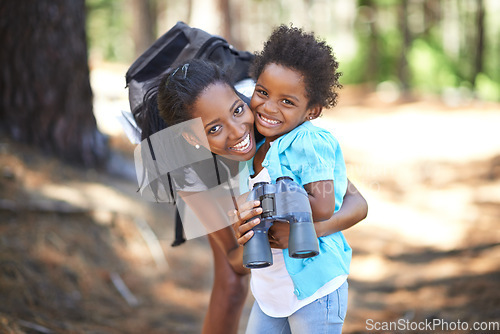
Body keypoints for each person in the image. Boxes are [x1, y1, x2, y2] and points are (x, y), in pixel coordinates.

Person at [146, 59, 367, 333]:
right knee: (230, 283)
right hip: (271, 295)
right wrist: (246, 237)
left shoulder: (273, 125)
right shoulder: (189, 170)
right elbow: (235, 263)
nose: (238, 131)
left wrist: (307, 229)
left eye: (239, 110)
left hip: (313, 288)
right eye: (214, 128)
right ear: (194, 139)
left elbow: (356, 202)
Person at [233, 25, 358, 333]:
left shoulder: (308, 142)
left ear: (312, 111)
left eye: (287, 102)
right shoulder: (256, 143)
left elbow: (325, 205)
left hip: (315, 290)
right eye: (262, 93)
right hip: (270, 293)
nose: (269, 107)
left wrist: (283, 210)